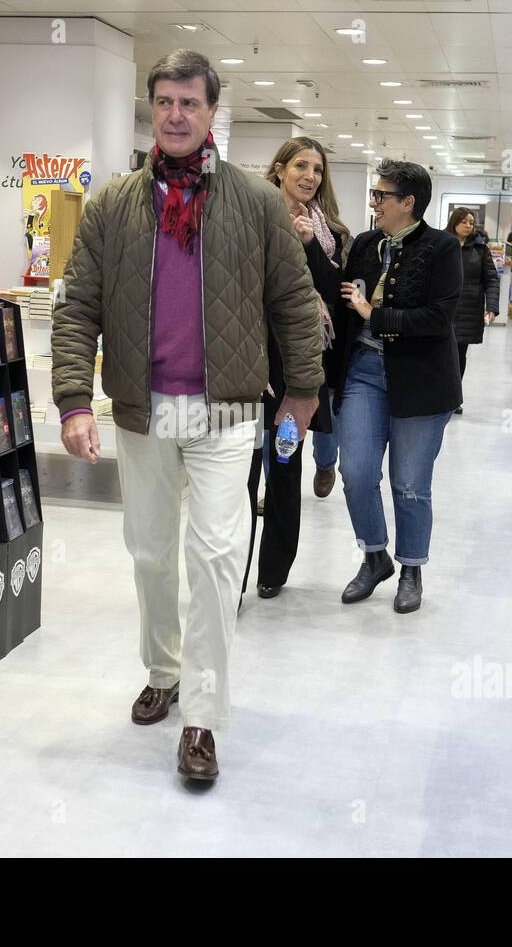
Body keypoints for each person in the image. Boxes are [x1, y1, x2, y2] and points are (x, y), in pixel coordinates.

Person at [52, 49, 323, 782]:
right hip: (145, 412)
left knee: (213, 559)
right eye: (165, 102)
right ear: (154, 109)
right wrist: (75, 399)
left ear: (212, 114)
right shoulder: (114, 205)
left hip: (227, 413)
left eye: (190, 104)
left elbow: (295, 304)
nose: (176, 115)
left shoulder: (255, 203)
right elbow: (77, 307)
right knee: (148, 553)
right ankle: (163, 669)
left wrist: (301, 397)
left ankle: (202, 716)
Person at [335, 159, 461, 615]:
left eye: (381, 195)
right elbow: (340, 300)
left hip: (421, 382)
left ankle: (411, 569)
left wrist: (376, 315)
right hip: (365, 373)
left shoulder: (442, 247)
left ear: (408, 203)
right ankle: (374, 558)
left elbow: (438, 318)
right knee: (357, 473)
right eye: (373, 194)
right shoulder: (366, 244)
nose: (373, 203)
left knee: (409, 484)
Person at [244, 136, 348, 600]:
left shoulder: (328, 232)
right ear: (280, 168)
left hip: (296, 375)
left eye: (318, 170)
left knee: (285, 469)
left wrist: (308, 246)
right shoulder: (249, 216)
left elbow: (332, 292)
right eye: (301, 166)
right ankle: (234, 572)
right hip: (245, 367)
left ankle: (272, 573)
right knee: (240, 473)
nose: (310, 176)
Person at [446, 207, 498, 415]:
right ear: (454, 222)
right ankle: (441, 394)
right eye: (464, 222)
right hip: (443, 309)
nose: (468, 226)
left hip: (468, 310)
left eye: (471, 222)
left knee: (459, 355)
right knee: (441, 354)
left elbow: (491, 279)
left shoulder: (480, 249)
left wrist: (492, 307)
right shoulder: (442, 244)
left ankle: (454, 399)